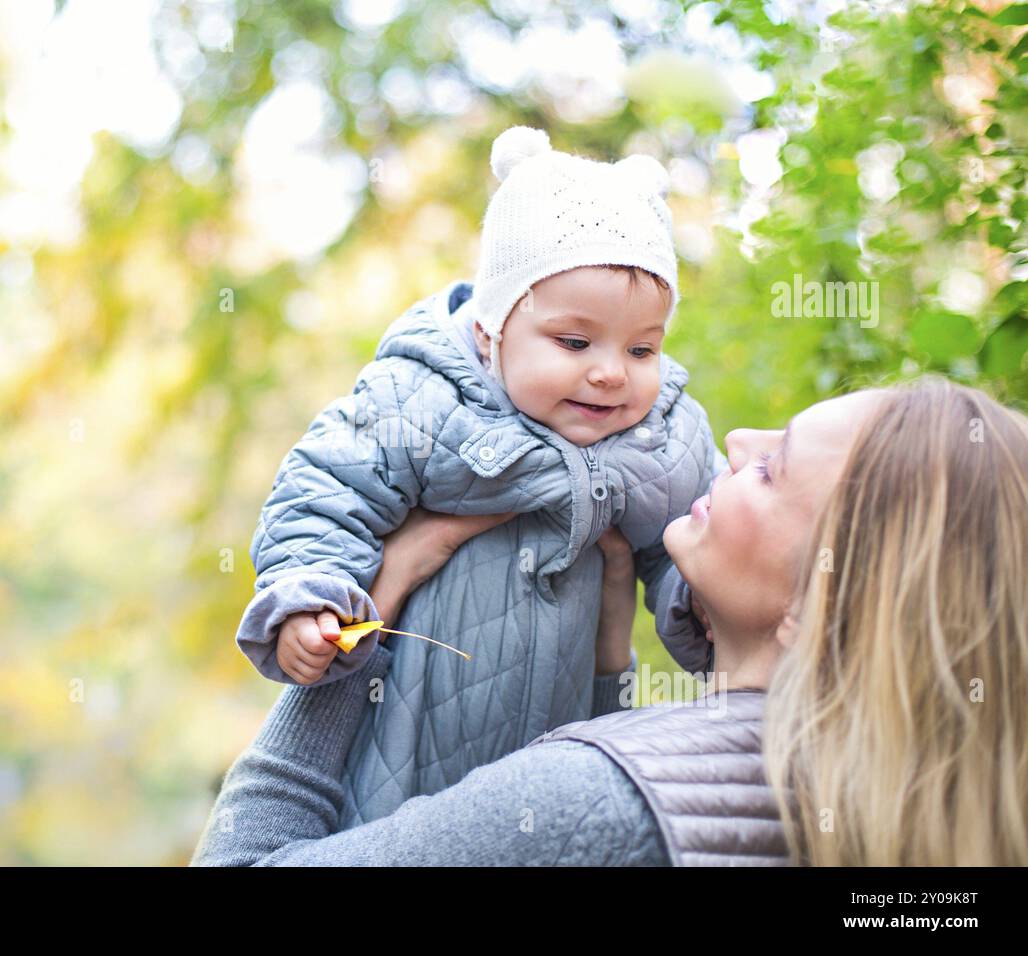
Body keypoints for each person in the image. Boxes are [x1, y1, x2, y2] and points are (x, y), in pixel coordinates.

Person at [191, 378, 1028, 865]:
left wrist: (359, 630)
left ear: (819, 603)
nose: (735, 440)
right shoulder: (903, 820)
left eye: (773, 469)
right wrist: (602, 674)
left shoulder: (590, 802)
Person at [234, 125, 720, 828]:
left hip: (555, 756)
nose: (611, 371)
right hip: (395, 755)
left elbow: (689, 540)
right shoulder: (422, 399)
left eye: (642, 347)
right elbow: (325, 490)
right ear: (492, 333)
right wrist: (310, 599)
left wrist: (699, 603)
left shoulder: (660, 434)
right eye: (575, 342)